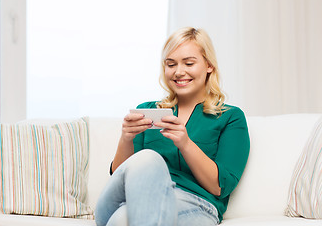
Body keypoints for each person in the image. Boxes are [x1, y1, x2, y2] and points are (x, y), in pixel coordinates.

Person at [94, 27, 250, 226]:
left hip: (195, 205)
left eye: (189, 63)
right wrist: (126, 138)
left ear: (209, 65)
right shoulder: (146, 111)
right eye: (171, 64)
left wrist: (186, 144)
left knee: (122, 220)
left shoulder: (230, 117)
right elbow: (119, 176)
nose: (178, 72)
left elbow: (219, 187)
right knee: (147, 159)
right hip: (133, 198)